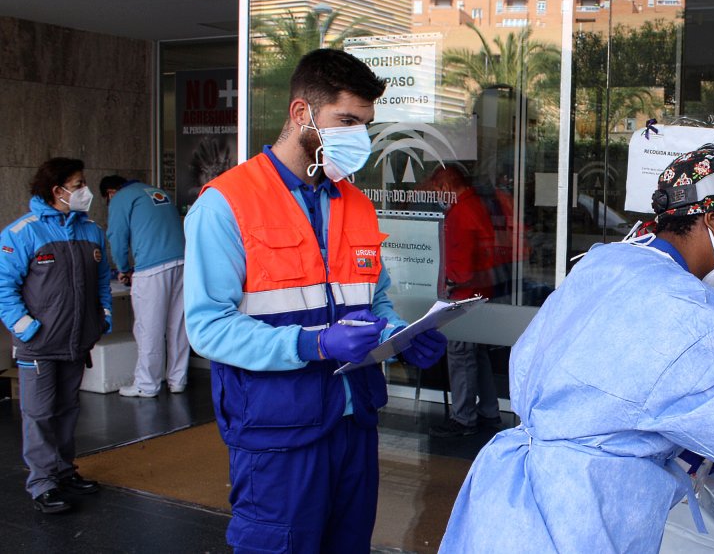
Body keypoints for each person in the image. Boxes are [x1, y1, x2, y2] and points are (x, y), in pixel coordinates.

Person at [440, 143, 714, 553]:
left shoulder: (604, 264)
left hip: (506, 498)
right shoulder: (682, 309)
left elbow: (614, 394)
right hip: (578, 514)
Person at [183, 48, 448, 553]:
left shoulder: (355, 203)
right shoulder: (226, 204)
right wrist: (315, 344)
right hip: (277, 429)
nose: (358, 137)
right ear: (301, 113)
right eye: (346, 120)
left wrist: (399, 336)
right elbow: (208, 329)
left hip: (353, 423)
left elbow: (377, 299)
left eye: (365, 125)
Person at [0, 157, 110, 514]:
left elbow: (102, 282)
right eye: (78, 185)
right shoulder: (22, 233)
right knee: (40, 414)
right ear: (57, 190)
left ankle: (64, 471)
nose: (84, 191)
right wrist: (27, 329)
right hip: (39, 346)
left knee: (66, 410)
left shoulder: (92, 231)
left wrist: (103, 317)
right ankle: (42, 483)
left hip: (76, 342)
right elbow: (4, 288)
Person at [423, 165, 515, 438]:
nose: (437, 195)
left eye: (437, 189)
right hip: (482, 290)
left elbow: (460, 266)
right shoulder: (477, 205)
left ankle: (463, 418)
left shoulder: (461, 212)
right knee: (479, 355)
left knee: (461, 356)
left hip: (464, 294)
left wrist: (450, 285)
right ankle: (488, 411)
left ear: (445, 186)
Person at [99, 175, 188, 397]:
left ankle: (147, 385)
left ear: (110, 192)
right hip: (183, 262)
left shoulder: (121, 197)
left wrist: (123, 268)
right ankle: (177, 380)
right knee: (178, 326)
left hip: (152, 267)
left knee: (149, 328)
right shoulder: (157, 192)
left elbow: (117, 236)